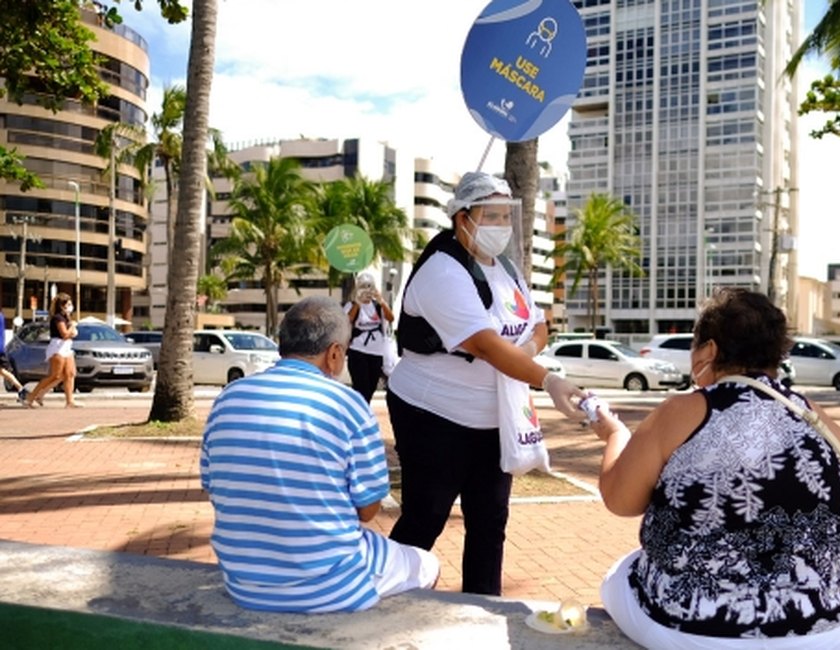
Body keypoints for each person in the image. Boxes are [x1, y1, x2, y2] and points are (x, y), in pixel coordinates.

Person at [590, 288, 840, 650]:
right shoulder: (816, 418)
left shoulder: (681, 412)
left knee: (619, 575)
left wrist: (615, 434)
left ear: (709, 350)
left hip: (691, 630)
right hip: (825, 632)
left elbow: (620, 500)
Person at [387, 170, 585, 596]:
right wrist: (546, 379)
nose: (499, 226)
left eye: (505, 216)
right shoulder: (443, 270)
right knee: (426, 516)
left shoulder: (506, 269)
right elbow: (486, 345)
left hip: (494, 420)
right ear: (462, 218)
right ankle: (386, 599)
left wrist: (521, 359)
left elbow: (539, 325)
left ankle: (483, 613)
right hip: (434, 415)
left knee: (490, 520)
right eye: (489, 216)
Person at [200, 296, 439, 613]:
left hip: (244, 585)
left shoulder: (229, 398)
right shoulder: (349, 405)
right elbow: (367, 512)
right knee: (427, 564)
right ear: (335, 354)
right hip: (332, 588)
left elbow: (213, 487)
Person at [344, 268, 394, 403]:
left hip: (376, 351)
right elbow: (347, 320)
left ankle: (362, 413)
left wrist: (382, 301)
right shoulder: (352, 305)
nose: (366, 290)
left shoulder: (377, 306)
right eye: (363, 287)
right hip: (358, 351)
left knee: (371, 388)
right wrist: (358, 303)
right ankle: (359, 417)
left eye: (369, 287)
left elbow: (391, 318)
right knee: (362, 389)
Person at [24, 293, 79, 408]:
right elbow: (64, 334)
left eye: (71, 304)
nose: (71, 306)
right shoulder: (58, 318)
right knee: (55, 375)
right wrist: (73, 328)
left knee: (70, 373)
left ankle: (70, 401)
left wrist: (72, 330)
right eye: (68, 304)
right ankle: (31, 397)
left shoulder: (66, 317)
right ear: (62, 305)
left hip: (67, 347)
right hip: (57, 347)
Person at [0, 308, 29, 404]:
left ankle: (21, 389)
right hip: (1, 348)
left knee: (3, 371)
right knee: (3, 371)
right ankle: (21, 389)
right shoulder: (1, 316)